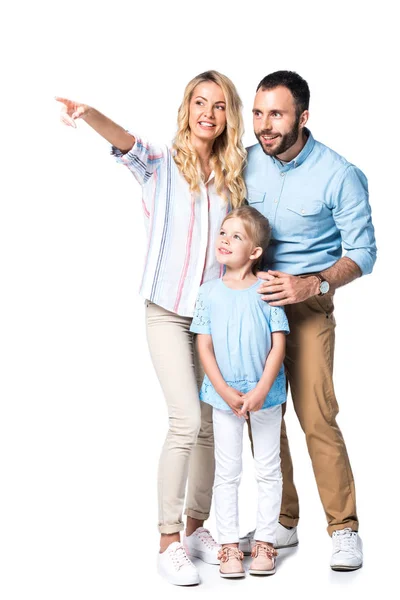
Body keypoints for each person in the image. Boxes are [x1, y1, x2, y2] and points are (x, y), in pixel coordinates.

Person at [56, 70, 247, 586]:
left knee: (209, 425)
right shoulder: (161, 162)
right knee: (185, 420)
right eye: (199, 102)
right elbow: (123, 140)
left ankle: (196, 528)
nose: (208, 113)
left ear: (230, 115)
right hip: (166, 312)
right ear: (187, 108)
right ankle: (167, 541)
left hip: (211, 318)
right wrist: (88, 112)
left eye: (220, 105)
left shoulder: (234, 176)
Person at [238, 70, 377, 571]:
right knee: (262, 418)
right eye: (258, 113)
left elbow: (364, 253)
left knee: (317, 416)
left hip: (307, 306)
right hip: (254, 307)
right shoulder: (248, 161)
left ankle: (344, 528)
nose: (264, 125)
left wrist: (311, 283)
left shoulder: (340, 174)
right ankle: (283, 520)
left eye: (276, 113)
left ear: (303, 116)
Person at [190, 206, 289, 578]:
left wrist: (263, 388)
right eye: (223, 233)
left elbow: (278, 343)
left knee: (268, 469)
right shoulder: (208, 292)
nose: (225, 240)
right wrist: (223, 390)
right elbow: (204, 347)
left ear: (255, 252)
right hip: (224, 398)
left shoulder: (268, 288)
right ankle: (229, 543)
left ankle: (265, 540)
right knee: (227, 472)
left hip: (267, 395)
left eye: (236, 236)